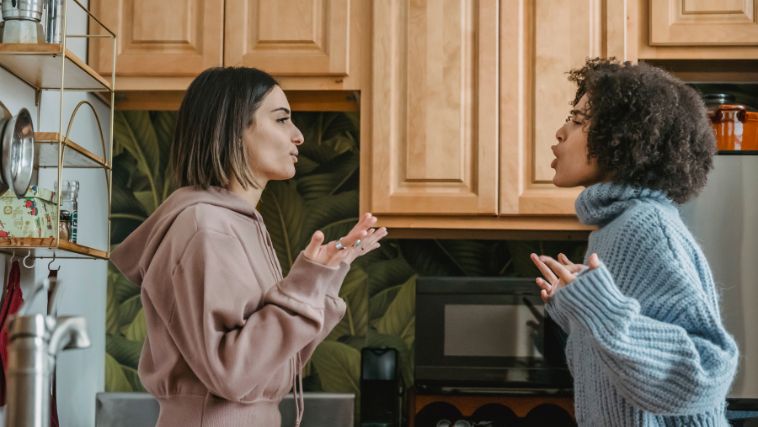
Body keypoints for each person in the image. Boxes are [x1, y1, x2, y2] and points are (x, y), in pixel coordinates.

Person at [110, 67, 387, 426]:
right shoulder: (205, 228)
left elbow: (274, 358)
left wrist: (326, 274)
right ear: (233, 128)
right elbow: (232, 374)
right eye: (282, 120)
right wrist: (303, 286)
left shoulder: (237, 224)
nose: (298, 136)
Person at [530, 58, 738, 426]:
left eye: (578, 121)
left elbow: (706, 375)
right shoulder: (611, 228)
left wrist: (603, 311)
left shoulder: (645, 225)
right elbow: (621, 375)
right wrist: (578, 310)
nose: (561, 132)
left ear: (623, 137)